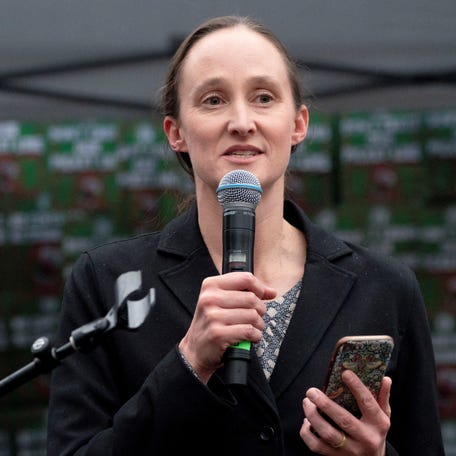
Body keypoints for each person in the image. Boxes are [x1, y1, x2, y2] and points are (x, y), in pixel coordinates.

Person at [46, 15, 444, 455]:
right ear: (175, 132)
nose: (241, 121)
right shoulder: (110, 282)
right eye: (213, 100)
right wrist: (188, 363)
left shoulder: (384, 286)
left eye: (264, 97)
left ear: (298, 124)